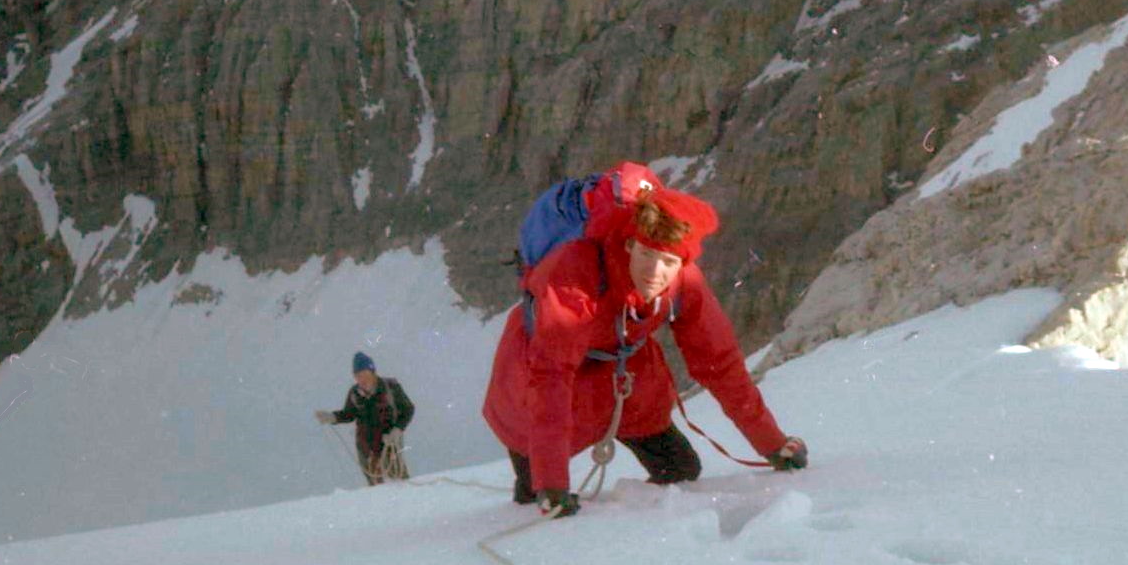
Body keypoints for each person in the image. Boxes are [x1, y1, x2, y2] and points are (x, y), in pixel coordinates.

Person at [482, 177, 807, 518]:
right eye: (647, 255)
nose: (655, 272)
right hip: (535, 383)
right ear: (627, 245)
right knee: (536, 499)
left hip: (628, 385)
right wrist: (551, 481)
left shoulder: (685, 281)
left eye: (668, 262)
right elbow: (551, 373)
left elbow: (719, 361)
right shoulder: (575, 270)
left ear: (683, 263)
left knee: (680, 471)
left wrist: (771, 444)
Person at [316, 352, 416, 485]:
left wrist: (398, 429)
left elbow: (408, 409)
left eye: (364, 374)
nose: (362, 379)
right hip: (365, 447)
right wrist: (332, 417)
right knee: (375, 485)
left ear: (373, 372)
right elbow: (349, 414)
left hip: (389, 443)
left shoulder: (390, 387)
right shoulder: (355, 393)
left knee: (398, 481)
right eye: (357, 376)